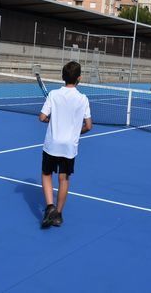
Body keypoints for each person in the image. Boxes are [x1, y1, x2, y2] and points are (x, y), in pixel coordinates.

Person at [38, 61, 92, 228]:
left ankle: (49, 207)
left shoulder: (53, 95)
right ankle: (58, 214)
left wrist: (50, 119)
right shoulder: (83, 99)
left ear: (62, 77)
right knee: (64, 179)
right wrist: (75, 132)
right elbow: (89, 126)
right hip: (69, 147)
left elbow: (42, 117)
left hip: (52, 144)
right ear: (79, 78)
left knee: (47, 174)